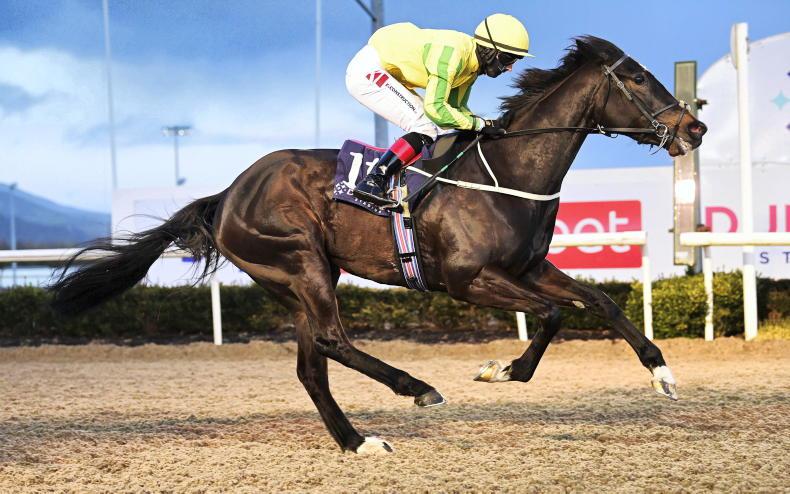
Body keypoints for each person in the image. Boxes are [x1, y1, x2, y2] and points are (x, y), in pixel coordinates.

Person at [345, 13, 533, 207]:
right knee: (425, 126)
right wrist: (479, 125)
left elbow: (456, 111)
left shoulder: (471, 68)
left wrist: (489, 124)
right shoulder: (453, 55)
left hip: (387, 70)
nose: (510, 68)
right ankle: (374, 180)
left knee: (442, 130)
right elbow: (435, 109)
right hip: (368, 71)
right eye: (509, 58)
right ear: (490, 50)